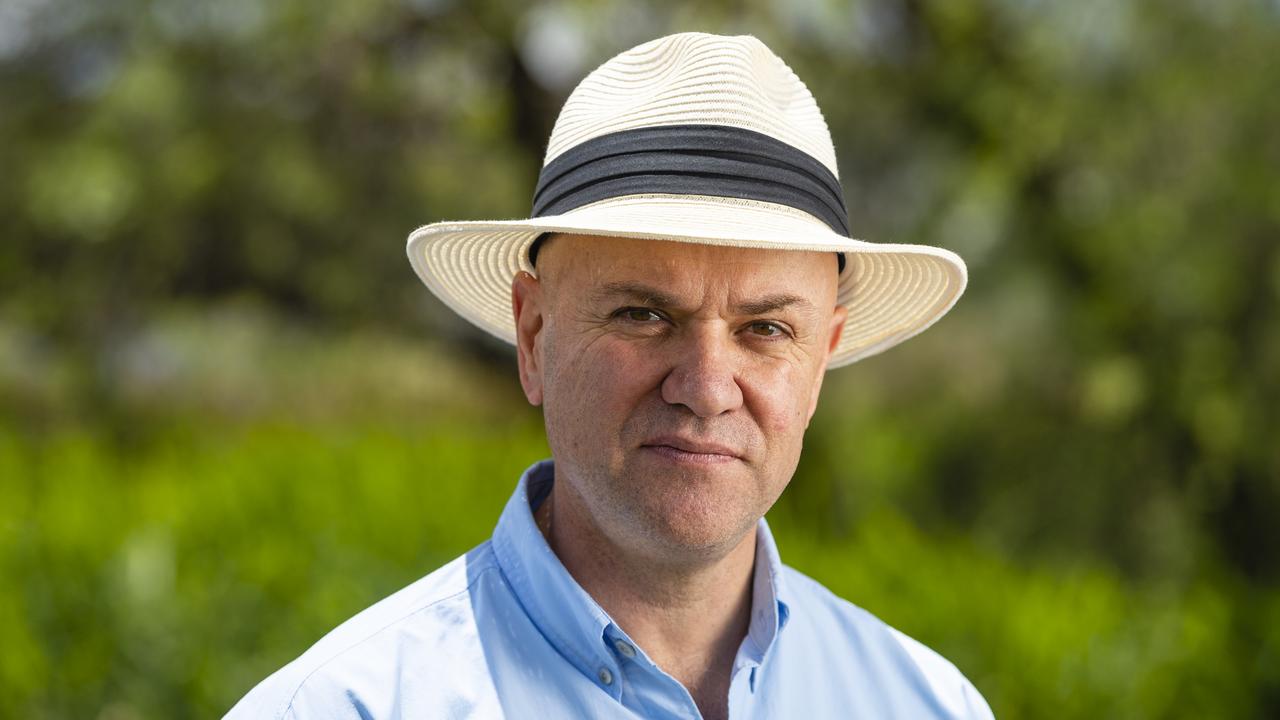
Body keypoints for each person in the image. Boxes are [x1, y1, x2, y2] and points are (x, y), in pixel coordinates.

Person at [226, 32, 993, 719]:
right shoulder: (346, 708)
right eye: (643, 315)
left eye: (765, 329)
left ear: (821, 358)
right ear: (533, 335)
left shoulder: (927, 703)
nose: (706, 386)